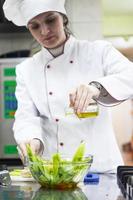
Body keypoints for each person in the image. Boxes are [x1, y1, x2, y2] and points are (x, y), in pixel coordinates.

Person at [3, 0, 133, 172]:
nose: (44, 31)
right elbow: (26, 117)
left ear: (63, 18)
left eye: (50, 20)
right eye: (35, 26)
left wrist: (97, 87)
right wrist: (31, 139)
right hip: (54, 171)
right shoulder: (26, 70)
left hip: (99, 168)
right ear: (29, 29)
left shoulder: (98, 52)